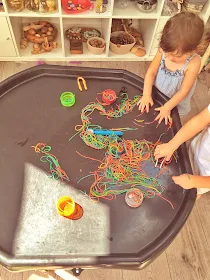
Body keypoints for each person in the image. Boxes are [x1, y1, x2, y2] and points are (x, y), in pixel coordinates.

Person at [138, 12, 204, 125]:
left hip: (175, 103)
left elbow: (184, 91)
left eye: (176, 56)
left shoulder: (194, 63)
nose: (169, 57)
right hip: (157, 93)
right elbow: (151, 72)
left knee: (170, 123)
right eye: (167, 53)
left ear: (193, 50)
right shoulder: (165, 49)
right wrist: (146, 95)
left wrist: (167, 107)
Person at [154, 105, 210, 196]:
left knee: (191, 194)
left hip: (203, 177)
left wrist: (194, 181)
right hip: (192, 150)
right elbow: (199, 121)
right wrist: (172, 145)